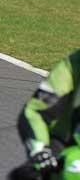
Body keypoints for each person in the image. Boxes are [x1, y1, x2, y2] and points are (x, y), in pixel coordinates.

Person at [10, 49, 80, 179]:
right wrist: (40, 151)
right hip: (65, 142)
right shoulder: (72, 65)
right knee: (27, 175)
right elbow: (35, 111)